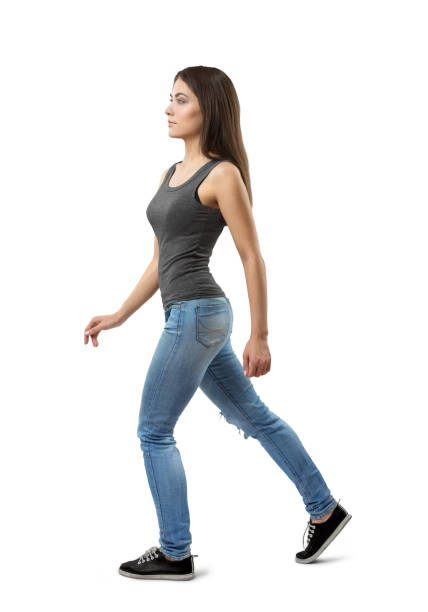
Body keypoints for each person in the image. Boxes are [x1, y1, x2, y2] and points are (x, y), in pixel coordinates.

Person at [84, 65, 352, 581]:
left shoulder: (222, 174)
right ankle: (325, 509)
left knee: (153, 430)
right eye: (170, 98)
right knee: (254, 417)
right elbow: (159, 263)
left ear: (208, 109)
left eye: (181, 100)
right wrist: (119, 314)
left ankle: (174, 550)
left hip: (197, 315)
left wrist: (261, 335)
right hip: (191, 315)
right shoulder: (168, 176)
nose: (168, 108)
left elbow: (252, 256)